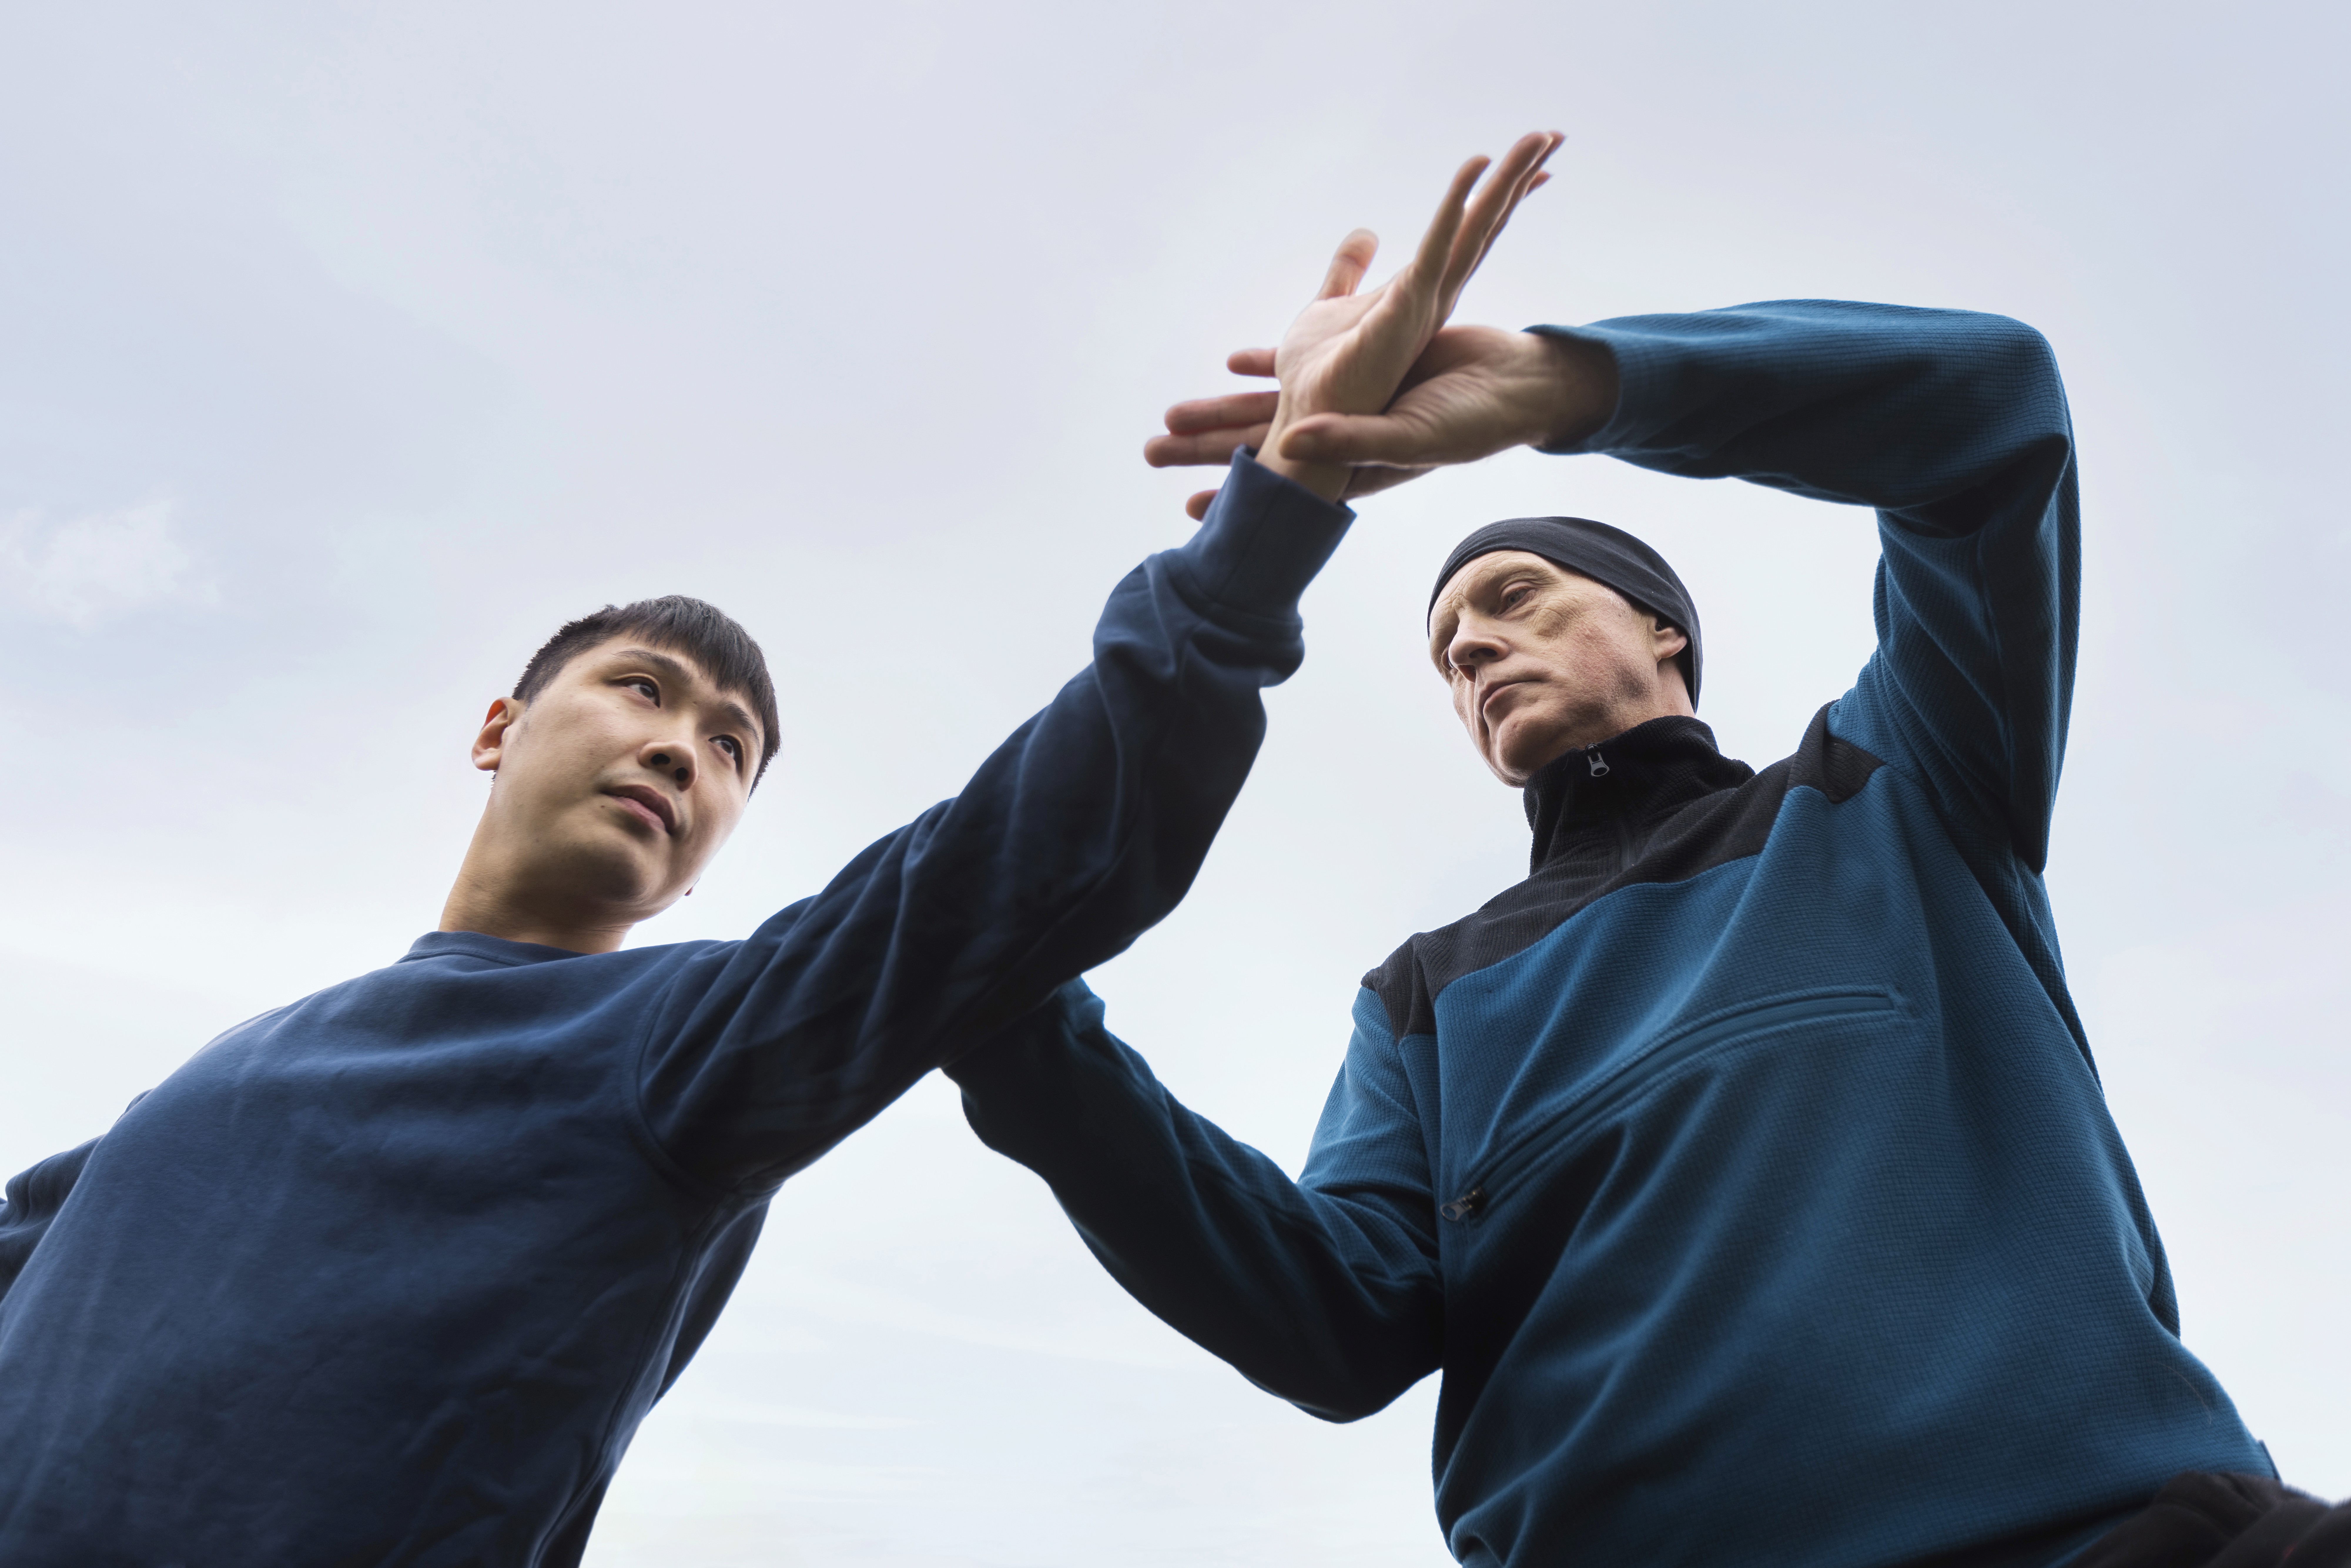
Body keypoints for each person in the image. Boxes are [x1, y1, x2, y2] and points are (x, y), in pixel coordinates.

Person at [0, 133, 1566, 1565]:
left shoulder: (682, 1046)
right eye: (644, 690)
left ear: (707, 853)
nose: (687, 745)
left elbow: (1030, 856)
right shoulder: (194, 1093)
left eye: (734, 747)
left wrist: (1277, 504)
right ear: (499, 725)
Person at [946, 294, 2351, 1565]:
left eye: (1512, 600)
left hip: (2100, 1538)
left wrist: (1566, 389)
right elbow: (1332, 1318)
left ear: (1664, 632)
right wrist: (1020, 1035)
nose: (1474, 652)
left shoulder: (1896, 789)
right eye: (1448, 652)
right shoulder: (1426, 995)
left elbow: (1992, 414)